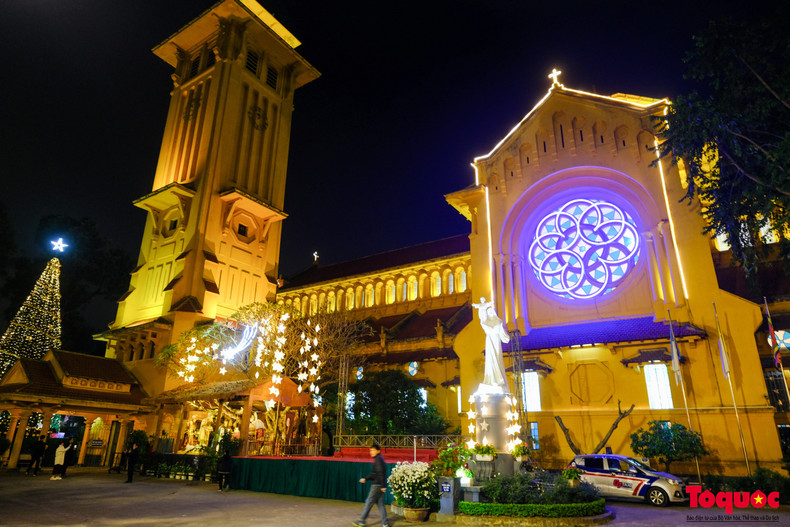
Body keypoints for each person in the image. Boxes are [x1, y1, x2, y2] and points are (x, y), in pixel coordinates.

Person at [472, 297, 510, 393]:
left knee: (497, 357)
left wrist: (505, 337)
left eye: (492, 311)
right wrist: (481, 309)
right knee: (490, 358)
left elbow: (502, 332)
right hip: (489, 340)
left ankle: (498, 379)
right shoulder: (486, 321)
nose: (490, 313)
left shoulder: (498, 321)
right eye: (489, 312)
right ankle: (491, 380)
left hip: (496, 340)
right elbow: (482, 320)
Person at [353, 443, 388, 527]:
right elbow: (375, 473)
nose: (371, 452)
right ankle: (385, 523)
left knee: (369, 502)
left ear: (378, 451)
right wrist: (366, 478)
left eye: (372, 450)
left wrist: (383, 485)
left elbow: (381, 473)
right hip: (379, 484)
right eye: (370, 450)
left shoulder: (378, 460)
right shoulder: (379, 459)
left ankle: (362, 521)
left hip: (377, 485)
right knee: (380, 504)